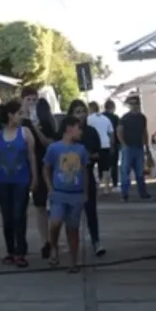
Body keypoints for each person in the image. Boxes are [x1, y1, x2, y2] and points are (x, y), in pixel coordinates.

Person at [0, 99, 38, 268]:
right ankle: (10, 251)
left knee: (19, 215)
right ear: (10, 115)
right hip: (2, 180)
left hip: (21, 179)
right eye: (19, 114)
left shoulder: (26, 133)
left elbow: (32, 156)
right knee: (7, 217)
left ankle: (21, 251)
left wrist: (35, 178)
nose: (22, 117)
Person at [42, 115, 90, 273]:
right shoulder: (54, 148)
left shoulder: (81, 150)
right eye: (78, 128)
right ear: (69, 128)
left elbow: (85, 172)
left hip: (76, 194)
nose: (81, 131)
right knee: (55, 222)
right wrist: (50, 188)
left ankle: (73, 261)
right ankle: (54, 245)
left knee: (73, 228)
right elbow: (46, 168)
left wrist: (85, 192)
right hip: (59, 193)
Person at [20, 88, 57, 259]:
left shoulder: (43, 119)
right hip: (25, 166)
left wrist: (36, 127)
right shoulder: (19, 120)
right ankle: (44, 242)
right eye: (28, 99)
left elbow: (48, 142)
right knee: (38, 205)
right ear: (22, 101)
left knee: (47, 204)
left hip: (44, 163)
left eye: (34, 99)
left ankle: (51, 240)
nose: (31, 103)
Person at [69, 100, 105, 255]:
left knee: (90, 210)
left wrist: (92, 156)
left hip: (87, 175)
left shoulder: (91, 132)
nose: (82, 115)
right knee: (71, 214)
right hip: (70, 177)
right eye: (78, 112)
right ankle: (72, 244)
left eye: (83, 111)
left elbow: (99, 153)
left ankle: (96, 240)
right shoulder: (67, 133)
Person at [116, 95, 152, 201]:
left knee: (140, 171)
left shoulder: (142, 117)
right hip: (128, 147)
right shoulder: (124, 118)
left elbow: (144, 132)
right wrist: (123, 144)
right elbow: (119, 131)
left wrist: (146, 146)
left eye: (136, 103)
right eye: (132, 104)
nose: (134, 106)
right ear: (129, 105)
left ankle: (143, 192)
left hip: (139, 146)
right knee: (125, 171)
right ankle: (124, 193)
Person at [86, 101, 115, 194]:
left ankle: (94, 185)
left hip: (92, 146)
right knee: (106, 168)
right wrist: (112, 146)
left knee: (90, 167)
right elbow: (111, 133)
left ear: (90, 109)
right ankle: (106, 187)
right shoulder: (105, 119)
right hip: (105, 145)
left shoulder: (88, 119)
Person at [102, 100, 120, 191]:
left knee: (104, 165)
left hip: (102, 144)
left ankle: (105, 184)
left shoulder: (101, 117)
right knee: (114, 165)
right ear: (113, 107)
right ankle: (115, 184)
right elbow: (117, 131)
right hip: (113, 143)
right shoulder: (115, 118)